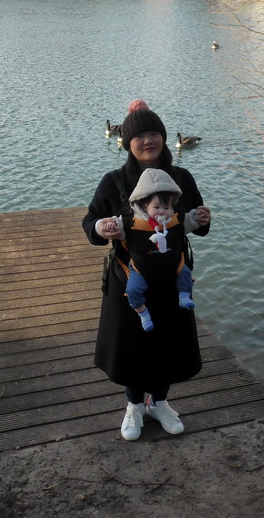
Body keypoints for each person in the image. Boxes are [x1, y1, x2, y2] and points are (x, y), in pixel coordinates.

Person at [83, 99, 212, 441]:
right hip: (129, 279)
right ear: (127, 143)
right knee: (131, 343)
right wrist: (101, 229)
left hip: (172, 277)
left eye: (154, 133)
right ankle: (134, 406)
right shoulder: (114, 182)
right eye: (139, 136)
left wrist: (202, 219)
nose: (147, 141)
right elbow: (90, 221)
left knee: (167, 341)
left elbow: (196, 223)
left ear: (163, 137)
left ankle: (159, 402)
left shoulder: (181, 177)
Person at [98, 167, 200, 332]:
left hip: (173, 265)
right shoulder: (131, 222)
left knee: (185, 274)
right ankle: (142, 312)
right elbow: (113, 224)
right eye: (157, 207)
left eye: (166, 208)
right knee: (132, 289)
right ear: (144, 206)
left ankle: (184, 296)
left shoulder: (176, 220)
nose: (162, 212)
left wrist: (200, 216)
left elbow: (192, 220)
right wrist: (106, 227)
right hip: (140, 267)